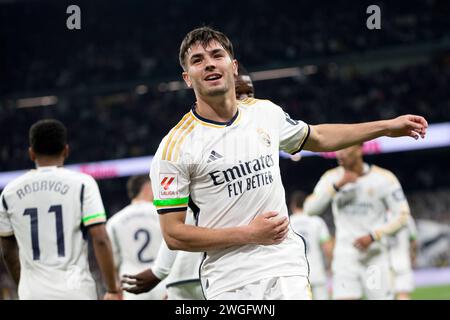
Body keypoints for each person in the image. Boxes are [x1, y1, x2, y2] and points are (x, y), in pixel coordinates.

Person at [149, 26, 427, 300]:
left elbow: (318, 136)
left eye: (216, 55)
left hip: (283, 264)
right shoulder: (175, 148)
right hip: (227, 279)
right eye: (198, 60)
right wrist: (249, 234)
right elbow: (174, 234)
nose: (209, 64)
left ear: (233, 66)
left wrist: (386, 127)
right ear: (187, 78)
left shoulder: (265, 113)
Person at [121, 69, 255, 300]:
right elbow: (179, 222)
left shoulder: (255, 136)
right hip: (208, 271)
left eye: (249, 93)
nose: (244, 100)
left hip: (206, 272)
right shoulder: (194, 145)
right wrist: (160, 271)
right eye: (238, 92)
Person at [0, 119, 120, 300]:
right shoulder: (82, 184)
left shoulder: (9, 192)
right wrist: (112, 288)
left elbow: (8, 251)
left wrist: (23, 286)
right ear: (66, 150)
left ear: (31, 153)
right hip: (76, 290)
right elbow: (100, 238)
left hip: (33, 293)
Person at [303, 144, 412, 300]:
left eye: (345, 148)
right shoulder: (331, 178)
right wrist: (337, 186)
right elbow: (309, 209)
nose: (339, 153)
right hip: (345, 257)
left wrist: (374, 235)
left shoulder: (383, 178)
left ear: (360, 148)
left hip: (374, 258)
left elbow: (402, 215)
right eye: (338, 149)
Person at [106, 175, 166, 300]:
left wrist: (114, 288)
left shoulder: (114, 221)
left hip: (132, 283)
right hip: (161, 279)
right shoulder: (163, 214)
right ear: (147, 188)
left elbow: (111, 260)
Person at [289, 190, 333, 300]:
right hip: (317, 272)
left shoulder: (287, 222)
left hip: (296, 275)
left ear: (293, 205)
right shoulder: (317, 221)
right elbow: (328, 248)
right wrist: (330, 267)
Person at [387, 214, 418, 300]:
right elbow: (414, 240)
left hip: (384, 262)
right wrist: (413, 257)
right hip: (403, 261)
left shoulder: (379, 214)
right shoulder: (406, 217)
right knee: (403, 295)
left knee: (384, 296)